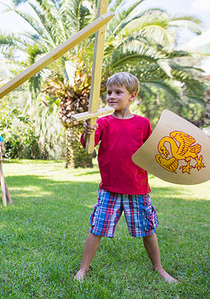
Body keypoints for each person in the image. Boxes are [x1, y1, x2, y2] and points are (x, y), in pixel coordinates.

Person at [73, 72, 177, 283]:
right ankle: (83, 270)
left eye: (118, 92)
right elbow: (88, 148)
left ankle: (159, 268)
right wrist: (88, 131)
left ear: (132, 96)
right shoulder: (102, 123)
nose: (111, 96)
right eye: (109, 92)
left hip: (137, 188)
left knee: (148, 230)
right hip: (109, 189)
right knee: (97, 229)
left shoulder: (143, 123)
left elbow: (152, 152)